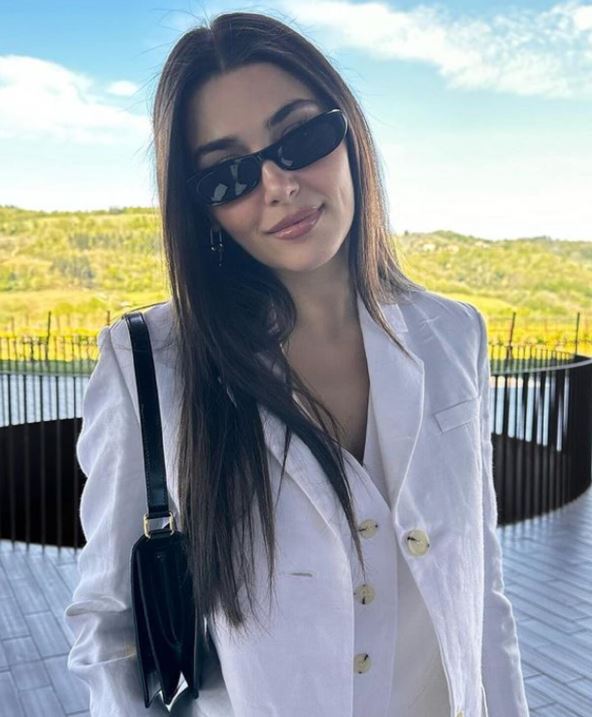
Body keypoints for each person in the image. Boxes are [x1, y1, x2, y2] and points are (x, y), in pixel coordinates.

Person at [64, 10, 530, 717]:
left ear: (349, 135)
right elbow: (109, 628)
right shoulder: (151, 365)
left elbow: (481, 589)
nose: (278, 185)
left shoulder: (453, 334)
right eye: (228, 175)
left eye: (300, 137)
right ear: (204, 210)